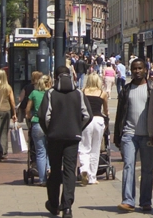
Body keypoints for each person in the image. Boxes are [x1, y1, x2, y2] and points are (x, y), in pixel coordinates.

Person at [40, 67, 91, 218]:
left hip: (54, 137)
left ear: (55, 77)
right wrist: (78, 128)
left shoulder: (51, 93)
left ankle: (54, 204)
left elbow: (45, 116)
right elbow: (88, 115)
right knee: (70, 171)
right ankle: (67, 207)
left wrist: (49, 130)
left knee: (55, 170)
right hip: (72, 137)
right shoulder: (79, 93)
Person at [114, 58, 153, 214]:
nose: (137, 71)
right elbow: (120, 114)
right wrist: (117, 136)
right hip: (129, 134)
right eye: (134, 68)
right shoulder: (126, 90)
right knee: (128, 166)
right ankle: (128, 201)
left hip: (147, 135)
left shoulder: (152, 88)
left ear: (145, 69)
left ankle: (145, 201)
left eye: (140, 68)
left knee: (147, 170)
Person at [77, 73, 108, 186]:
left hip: (87, 121)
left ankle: (84, 168)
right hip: (99, 120)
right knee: (95, 150)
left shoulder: (82, 92)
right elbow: (106, 110)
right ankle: (92, 177)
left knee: (84, 148)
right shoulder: (102, 93)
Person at [21, 72, 50, 184]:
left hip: (37, 123)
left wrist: (30, 117)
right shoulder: (51, 93)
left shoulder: (34, 93)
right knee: (50, 150)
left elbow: (27, 110)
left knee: (40, 152)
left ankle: (42, 180)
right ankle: (50, 170)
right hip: (50, 125)